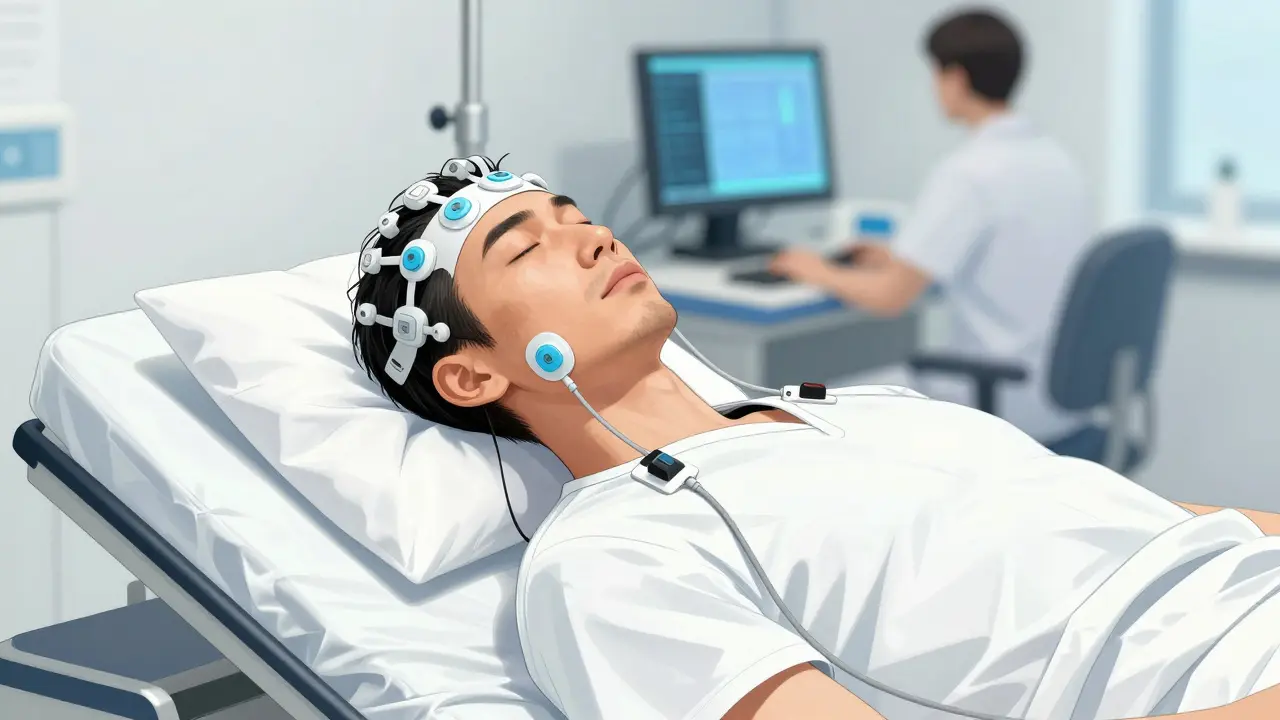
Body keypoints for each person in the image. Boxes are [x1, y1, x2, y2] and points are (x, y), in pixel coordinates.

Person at [351, 156, 1280, 720]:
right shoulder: (611, 560)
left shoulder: (860, 407)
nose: (593, 237)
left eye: (577, 216)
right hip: (1212, 677)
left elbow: (1156, 523)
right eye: (526, 247)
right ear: (471, 374)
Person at [769, 7, 1094, 444]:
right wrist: (897, 259)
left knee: (801, 408)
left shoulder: (970, 172)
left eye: (936, 75)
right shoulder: (1055, 159)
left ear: (955, 79)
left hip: (998, 399)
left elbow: (890, 298)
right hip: (1061, 399)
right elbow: (1007, 258)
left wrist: (815, 269)